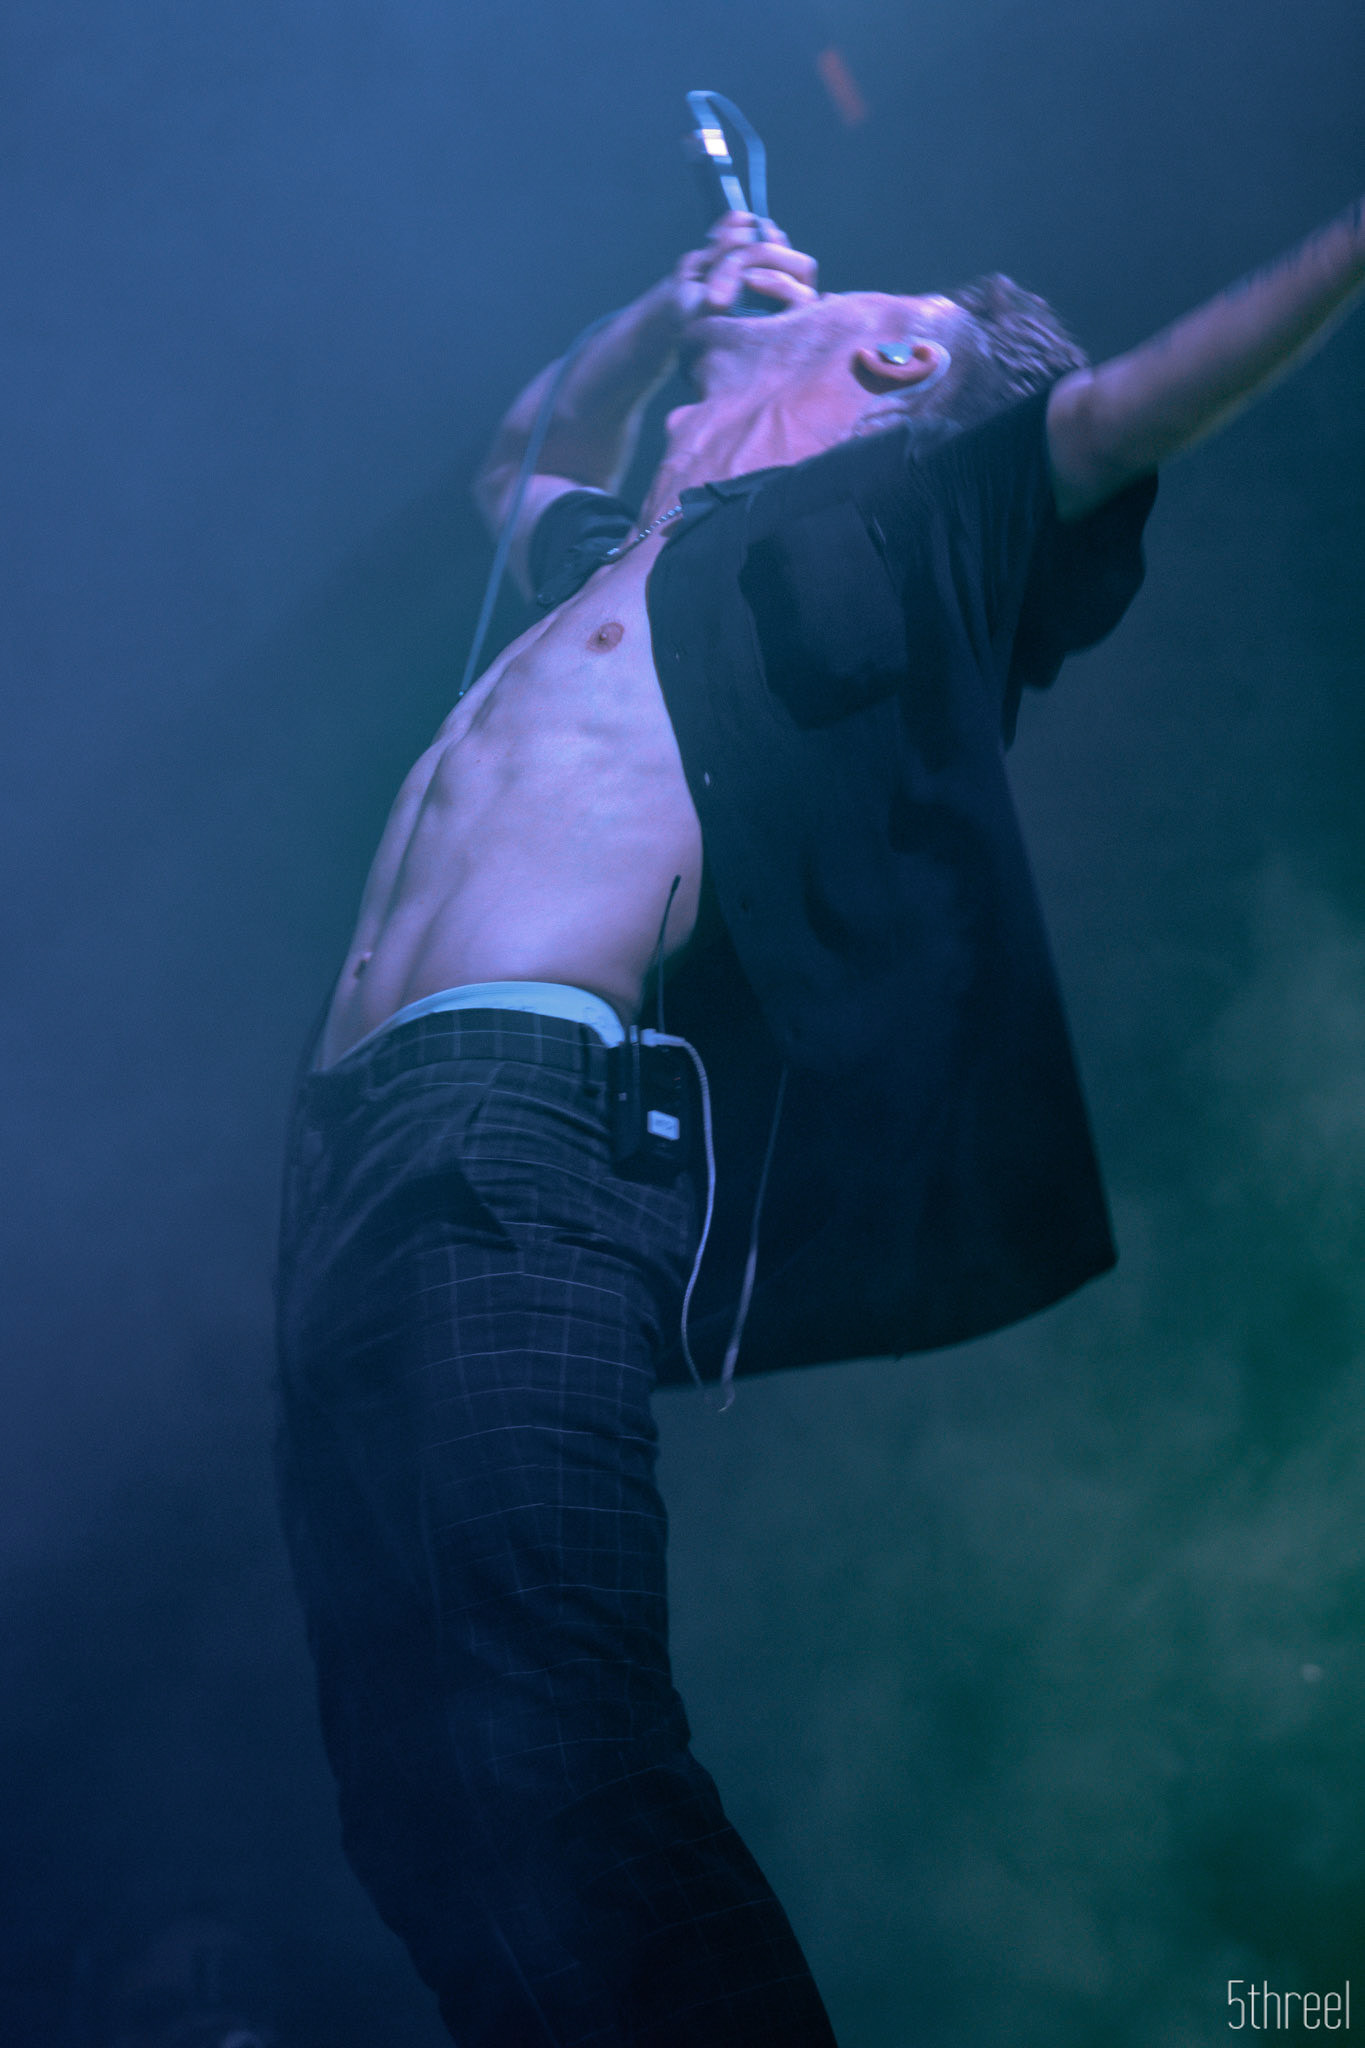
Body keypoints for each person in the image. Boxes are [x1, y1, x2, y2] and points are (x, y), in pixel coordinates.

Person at [274, 200, 1365, 2045]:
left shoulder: (879, 524)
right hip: (346, 1163)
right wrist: (659, 309)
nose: (798, 278)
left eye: (852, 288)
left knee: (557, 1751)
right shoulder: (618, 550)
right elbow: (514, 457)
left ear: (897, 359)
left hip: (521, 1135)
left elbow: (1134, 407)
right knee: (416, 1809)